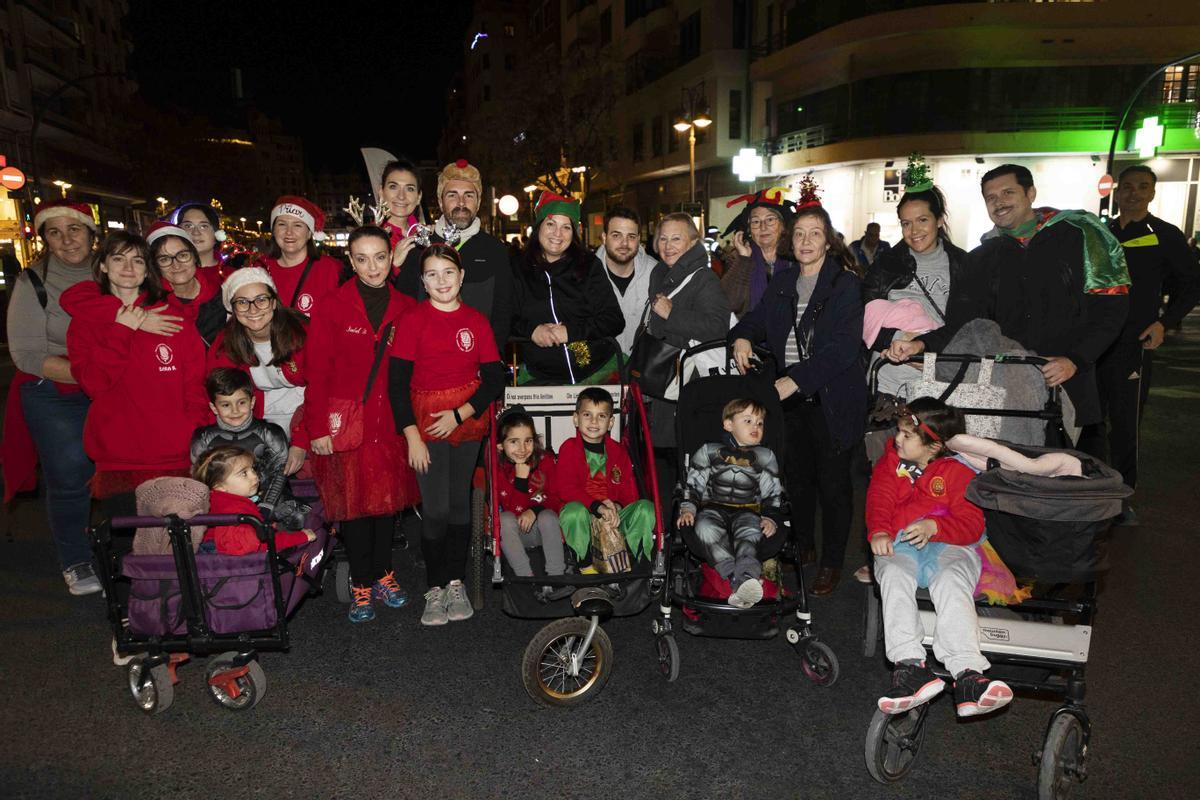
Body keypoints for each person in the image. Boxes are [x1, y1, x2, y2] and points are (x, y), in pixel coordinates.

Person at [887, 164, 1130, 441]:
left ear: (1030, 193)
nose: (999, 202)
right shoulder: (980, 258)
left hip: (1070, 384)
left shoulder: (1080, 235)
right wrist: (921, 345)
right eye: (990, 197)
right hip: (1007, 394)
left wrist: (1075, 359)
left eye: (1008, 192)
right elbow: (963, 325)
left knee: (1073, 464)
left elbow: (1111, 309)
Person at [729, 181, 867, 596]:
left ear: (828, 241)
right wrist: (743, 336)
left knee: (834, 486)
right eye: (800, 233)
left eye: (815, 234)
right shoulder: (785, 281)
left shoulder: (843, 284)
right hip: (792, 402)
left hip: (831, 399)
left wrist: (796, 379)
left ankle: (832, 562)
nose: (806, 241)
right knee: (798, 479)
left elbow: (842, 349)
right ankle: (805, 547)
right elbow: (757, 319)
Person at [868, 398, 1013, 719]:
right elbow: (880, 498)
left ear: (933, 446)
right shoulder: (890, 462)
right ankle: (909, 666)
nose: (897, 439)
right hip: (902, 542)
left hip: (953, 544)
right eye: (899, 431)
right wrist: (878, 531)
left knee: (951, 581)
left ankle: (968, 673)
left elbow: (972, 524)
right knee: (892, 574)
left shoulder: (958, 471)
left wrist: (936, 526)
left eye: (907, 435)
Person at [306, 226, 420, 623]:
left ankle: (384, 573)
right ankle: (361, 583)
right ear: (351, 262)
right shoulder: (332, 305)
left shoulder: (406, 306)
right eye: (362, 259)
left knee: (385, 509)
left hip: (389, 424)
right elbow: (316, 371)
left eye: (380, 257)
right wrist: (317, 428)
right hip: (346, 424)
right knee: (353, 510)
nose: (373, 267)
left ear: (391, 259)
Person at [389, 244, 505, 626]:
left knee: (458, 506)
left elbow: (494, 379)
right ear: (423, 281)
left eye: (448, 272)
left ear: (461, 276)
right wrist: (412, 436)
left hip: (466, 421)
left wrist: (460, 414)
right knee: (435, 509)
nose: (442, 281)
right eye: (432, 274)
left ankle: (456, 581)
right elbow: (397, 385)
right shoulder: (412, 320)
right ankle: (434, 585)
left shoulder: (476, 321)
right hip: (426, 425)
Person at [1079, 165, 1200, 524]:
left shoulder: (1164, 234)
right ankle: (1088, 491)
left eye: (1142, 187)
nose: (1134, 193)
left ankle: (1122, 497)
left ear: (1152, 193)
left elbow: (1192, 285)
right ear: (1117, 192)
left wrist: (1165, 323)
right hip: (1092, 344)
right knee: (1089, 421)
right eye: (1128, 187)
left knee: (1125, 423)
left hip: (1133, 344)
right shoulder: (1100, 232)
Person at [65, 231, 209, 525]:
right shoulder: (86, 323)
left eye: (138, 260)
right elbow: (93, 383)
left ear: (147, 270)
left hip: (174, 457)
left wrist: (191, 433)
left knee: (177, 546)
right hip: (118, 460)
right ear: (103, 265)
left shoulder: (172, 318)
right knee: (128, 548)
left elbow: (196, 386)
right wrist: (123, 329)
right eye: (118, 259)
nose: (129, 267)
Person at [3, 201, 103, 594]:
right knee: (70, 470)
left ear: (91, 233)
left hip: (108, 386)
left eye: (74, 229)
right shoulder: (33, 281)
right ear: (44, 238)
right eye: (55, 232)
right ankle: (76, 560)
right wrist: (91, 373)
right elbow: (26, 354)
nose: (67, 240)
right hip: (53, 388)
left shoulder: (112, 270)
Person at [638, 212, 731, 498]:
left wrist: (672, 314)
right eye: (663, 239)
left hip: (685, 384)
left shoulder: (704, 279)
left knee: (678, 460)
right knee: (660, 461)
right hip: (661, 382)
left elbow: (717, 327)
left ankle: (680, 518)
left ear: (692, 242)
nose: (668, 246)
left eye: (676, 239)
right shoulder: (660, 273)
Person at [863, 172, 968, 402]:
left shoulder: (963, 264)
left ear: (939, 220)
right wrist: (897, 339)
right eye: (906, 223)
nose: (914, 231)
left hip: (940, 384)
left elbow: (967, 326)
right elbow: (863, 315)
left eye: (922, 220)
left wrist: (925, 349)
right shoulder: (886, 263)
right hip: (887, 385)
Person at [393, 159, 512, 352]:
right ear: (440, 202)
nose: (461, 203)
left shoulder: (495, 250)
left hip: (477, 358)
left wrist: (489, 358)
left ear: (478, 202)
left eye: (469, 195)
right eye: (452, 195)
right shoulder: (419, 247)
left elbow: (503, 312)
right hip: (427, 358)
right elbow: (404, 307)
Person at [676, 398, 784, 609]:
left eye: (760, 423)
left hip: (748, 511)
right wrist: (688, 508)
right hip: (711, 508)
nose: (755, 426)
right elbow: (693, 484)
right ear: (728, 424)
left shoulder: (765, 456)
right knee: (705, 528)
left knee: (751, 532)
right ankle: (735, 577)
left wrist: (770, 517)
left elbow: (772, 492)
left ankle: (745, 577)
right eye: (748, 421)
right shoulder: (708, 451)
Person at [511, 193, 624, 384]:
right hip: (540, 377)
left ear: (574, 233)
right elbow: (503, 318)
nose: (558, 233)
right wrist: (531, 331)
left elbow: (614, 320)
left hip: (597, 371)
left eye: (566, 227)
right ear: (538, 227)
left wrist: (570, 332)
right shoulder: (518, 268)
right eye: (551, 224)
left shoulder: (589, 265)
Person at [206, 268, 309, 476]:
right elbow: (219, 396)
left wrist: (301, 441)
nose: (253, 309)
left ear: (274, 302)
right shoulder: (226, 344)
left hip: (307, 418)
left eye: (261, 300)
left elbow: (323, 389)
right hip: (260, 423)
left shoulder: (303, 333)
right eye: (242, 302)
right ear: (233, 309)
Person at [189, 368, 309, 531]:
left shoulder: (270, 432)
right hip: (224, 504)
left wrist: (265, 508)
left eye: (241, 403)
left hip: (268, 499)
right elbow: (202, 480)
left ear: (252, 402)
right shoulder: (203, 437)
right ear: (214, 407)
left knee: (297, 516)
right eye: (226, 405)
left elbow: (279, 474)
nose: (235, 411)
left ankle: (277, 545)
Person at [556, 388, 654, 572]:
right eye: (587, 415)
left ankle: (631, 561)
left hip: (612, 517)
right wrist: (597, 507)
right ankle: (586, 567)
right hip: (584, 516)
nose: (594, 422)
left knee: (646, 508)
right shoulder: (569, 448)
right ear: (576, 419)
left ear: (610, 423)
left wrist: (616, 507)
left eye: (601, 416)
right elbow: (566, 489)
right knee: (573, 512)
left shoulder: (619, 451)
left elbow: (629, 493)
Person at [192, 445, 315, 556]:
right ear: (220, 487)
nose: (255, 476)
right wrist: (299, 537)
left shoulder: (212, 501)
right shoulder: (236, 511)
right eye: (244, 473)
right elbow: (259, 545)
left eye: (252, 469)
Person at [495, 409, 565, 578]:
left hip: (546, 531)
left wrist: (534, 510)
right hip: (514, 535)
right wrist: (521, 479)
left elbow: (556, 498)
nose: (522, 448)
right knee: (504, 519)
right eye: (514, 442)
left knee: (547, 516)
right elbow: (514, 511)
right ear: (500, 446)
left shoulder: (545, 461)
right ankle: (526, 576)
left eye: (528, 441)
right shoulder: (499, 470)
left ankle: (556, 576)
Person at [255, 195, 343, 316]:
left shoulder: (330, 269)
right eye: (282, 224)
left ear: (309, 233)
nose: (289, 232)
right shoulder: (259, 268)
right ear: (273, 231)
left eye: (297, 225)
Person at [719, 187, 796, 318]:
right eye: (755, 222)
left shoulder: (797, 258)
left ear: (783, 226)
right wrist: (743, 259)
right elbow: (727, 304)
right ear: (749, 230)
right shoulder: (737, 259)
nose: (763, 227)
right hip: (748, 330)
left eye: (770, 220)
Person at [595, 205, 655, 355]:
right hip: (600, 366)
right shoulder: (585, 274)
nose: (624, 243)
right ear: (604, 237)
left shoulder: (655, 273)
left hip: (643, 366)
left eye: (631, 236)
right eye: (616, 235)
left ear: (639, 239)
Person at [376, 158, 425, 276]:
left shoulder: (425, 235)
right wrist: (393, 265)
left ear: (418, 197)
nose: (401, 196)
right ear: (381, 193)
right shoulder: (370, 237)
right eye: (393, 187)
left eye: (410, 189)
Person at [173, 202, 230, 279]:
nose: (196, 232)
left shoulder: (234, 277)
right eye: (188, 226)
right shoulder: (167, 274)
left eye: (203, 226)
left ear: (217, 234)